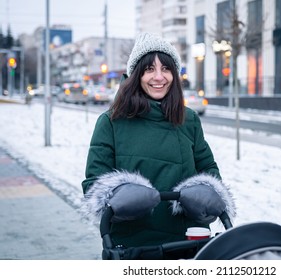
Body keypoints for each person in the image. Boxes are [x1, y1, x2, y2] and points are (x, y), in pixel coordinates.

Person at [81, 32, 235, 249]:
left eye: (165, 69)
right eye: (149, 69)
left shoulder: (188, 119)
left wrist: (207, 193)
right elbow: (94, 184)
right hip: (133, 243)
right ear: (136, 75)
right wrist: (121, 196)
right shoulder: (111, 122)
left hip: (188, 239)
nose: (159, 77)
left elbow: (208, 168)